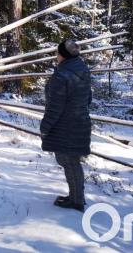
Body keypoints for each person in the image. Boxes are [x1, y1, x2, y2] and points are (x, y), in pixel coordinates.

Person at [40, 38, 92, 212]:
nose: (56, 56)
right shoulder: (83, 70)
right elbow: (88, 99)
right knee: (71, 161)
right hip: (81, 122)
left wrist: (45, 127)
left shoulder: (61, 76)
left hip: (65, 127)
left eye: (57, 53)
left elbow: (55, 107)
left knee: (68, 161)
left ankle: (76, 201)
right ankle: (76, 197)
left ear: (63, 55)